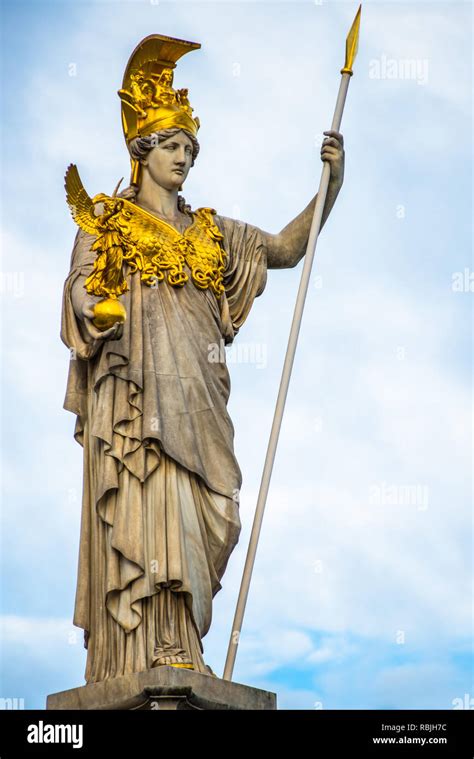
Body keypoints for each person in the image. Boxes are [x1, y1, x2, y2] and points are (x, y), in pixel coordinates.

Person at [60, 35, 344, 683]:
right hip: (137, 399)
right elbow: (79, 285)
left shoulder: (214, 233)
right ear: (142, 152)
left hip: (199, 402)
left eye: (190, 147)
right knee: (150, 505)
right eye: (172, 145)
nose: (184, 156)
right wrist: (98, 311)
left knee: (212, 508)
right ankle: (151, 650)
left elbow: (285, 247)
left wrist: (332, 181)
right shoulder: (107, 222)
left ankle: (184, 641)